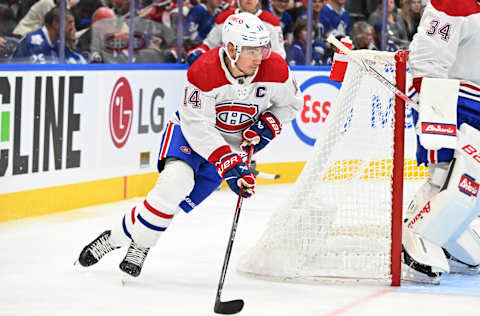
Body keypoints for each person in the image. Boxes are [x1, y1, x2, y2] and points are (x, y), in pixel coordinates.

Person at [76, 12, 303, 278]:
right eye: (251, 51)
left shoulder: (275, 68)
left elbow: (291, 105)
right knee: (175, 184)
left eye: (262, 49)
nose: (259, 57)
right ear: (231, 49)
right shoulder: (204, 71)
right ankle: (133, 244)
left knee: (172, 202)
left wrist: (267, 126)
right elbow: (198, 126)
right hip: (189, 135)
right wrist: (228, 163)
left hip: (229, 148)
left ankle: (120, 237)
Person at [402, 0, 480, 284]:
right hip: (451, 97)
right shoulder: (454, 3)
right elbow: (427, 55)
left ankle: (447, 234)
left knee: (473, 183)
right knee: (444, 175)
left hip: (476, 101)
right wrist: (432, 104)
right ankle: (416, 235)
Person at [185, 0, 286, 64]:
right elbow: (210, 45)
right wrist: (199, 52)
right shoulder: (224, 18)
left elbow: (279, 55)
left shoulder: (271, 21)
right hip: (229, 73)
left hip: (259, 74)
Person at [11, 7, 86, 64]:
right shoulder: (34, 42)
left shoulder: (58, 43)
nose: (74, 29)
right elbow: (42, 71)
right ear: (56, 24)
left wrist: (71, 44)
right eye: (70, 23)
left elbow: (79, 61)